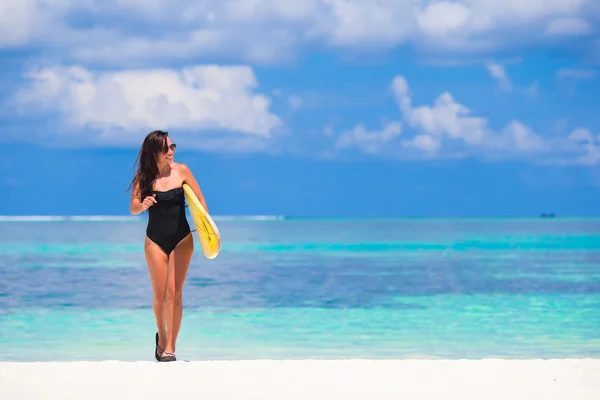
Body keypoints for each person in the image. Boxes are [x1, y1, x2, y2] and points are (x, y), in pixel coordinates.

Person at [127, 130, 209, 362]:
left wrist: (207, 232)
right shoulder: (144, 177)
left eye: (173, 147)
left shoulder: (182, 171)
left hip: (182, 238)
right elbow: (133, 207)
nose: (170, 152)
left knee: (175, 292)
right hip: (155, 240)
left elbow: (201, 203)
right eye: (165, 149)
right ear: (155, 152)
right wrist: (142, 204)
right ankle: (162, 338)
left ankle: (171, 346)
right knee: (160, 296)